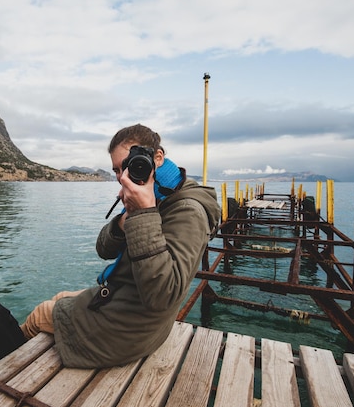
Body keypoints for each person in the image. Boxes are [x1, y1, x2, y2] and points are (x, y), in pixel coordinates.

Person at [20, 123, 220, 368]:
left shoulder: (186, 210)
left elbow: (162, 296)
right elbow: (103, 250)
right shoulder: (156, 193)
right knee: (60, 297)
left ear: (157, 158)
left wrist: (144, 213)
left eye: (128, 165)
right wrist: (127, 219)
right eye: (116, 170)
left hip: (129, 331)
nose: (122, 176)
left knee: (40, 314)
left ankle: (3, 367)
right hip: (128, 307)